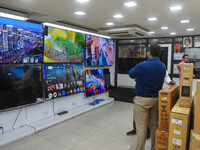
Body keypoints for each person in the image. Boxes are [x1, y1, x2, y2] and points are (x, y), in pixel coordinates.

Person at [128, 44, 166, 150]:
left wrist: (138, 77)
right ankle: (154, 148)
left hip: (142, 101)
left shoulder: (142, 65)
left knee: (141, 128)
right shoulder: (163, 66)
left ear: (149, 52)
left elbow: (131, 73)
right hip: (156, 100)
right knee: (154, 127)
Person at [126, 71, 175, 137]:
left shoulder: (160, 67)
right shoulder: (143, 65)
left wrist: (170, 82)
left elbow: (166, 77)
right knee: (137, 114)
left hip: (153, 96)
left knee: (150, 117)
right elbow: (134, 75)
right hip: (141, 95)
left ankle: (148, 132)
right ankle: (136, 129)